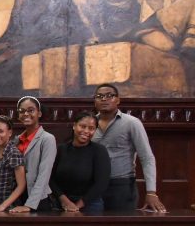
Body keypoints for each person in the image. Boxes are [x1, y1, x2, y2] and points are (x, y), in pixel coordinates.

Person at [92, 84, 167, 212]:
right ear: (94, 101)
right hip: (93, 186)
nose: (104, 99)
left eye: (109, 95)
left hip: (121, 186)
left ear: (118, 100)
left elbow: (147, 157)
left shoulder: (132, 123)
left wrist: (151, 192)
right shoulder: (89, 124)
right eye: (99, 96)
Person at [50, 112, 111, 213]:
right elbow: (50, 178)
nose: (86, 131)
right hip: (61, 203)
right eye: (82, 126)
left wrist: (77, 205)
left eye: (91, 128)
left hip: (90, 204)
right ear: (74, 126)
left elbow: (102, 183)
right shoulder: (61, 149)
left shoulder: (99, 151)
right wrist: (64, 201)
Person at [9, 97, 57, 213]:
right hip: (19, 197)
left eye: (31, 110)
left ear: (39, 113)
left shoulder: (47, 139)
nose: (26, 114)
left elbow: (44, 175)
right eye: (21, 111)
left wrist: (30, 205)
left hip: (38, 200)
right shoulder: (16, 140)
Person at [0, 116, 26, 213]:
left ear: (10, 133)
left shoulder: (13, 153)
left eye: (0, 131)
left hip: (10, 208)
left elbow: (21, 185)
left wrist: (3, 206)